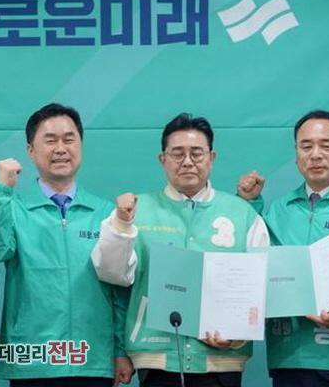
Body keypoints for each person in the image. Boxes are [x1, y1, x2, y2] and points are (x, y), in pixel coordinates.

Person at [92, 113, 270, 387]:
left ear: (211, 157)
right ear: (162, 159)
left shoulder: (243, 214)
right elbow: (112, 273)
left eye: (196, 153)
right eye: (177, 154)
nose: (187, 161)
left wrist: (238, 334)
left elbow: (262, 286)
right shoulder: (136, 210)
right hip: (155, 359)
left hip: (222, 362)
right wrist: (121, 224)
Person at [0, 103, 133, 387]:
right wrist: (1, 191)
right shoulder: (13, 208)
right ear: (31, 151)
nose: (61, 149)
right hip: (33, 360)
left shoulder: (105, 214)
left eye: (69, 139)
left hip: (92, 359)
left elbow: (119, 290)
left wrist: (121, 350)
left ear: (81, 146)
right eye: (50, 140)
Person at [238, 110, 329, 387]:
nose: (315, 155)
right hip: (288, 359)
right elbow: (249, 266)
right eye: (306, 146)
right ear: (296, 153)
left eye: (326, 146)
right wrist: (249, 205)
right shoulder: (278, 210)